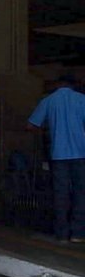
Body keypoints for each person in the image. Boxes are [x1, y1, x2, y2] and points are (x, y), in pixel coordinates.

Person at [28, 75, 85, 243]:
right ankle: (78, 234)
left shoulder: (49, 101)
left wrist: (48, 130)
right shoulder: (82, 99)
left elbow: (31, 125)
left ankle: (61, 234)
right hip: (81, 154)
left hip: (58, 155)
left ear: (58, 84)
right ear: (73, 85)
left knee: (60, 194)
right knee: (81, 193)